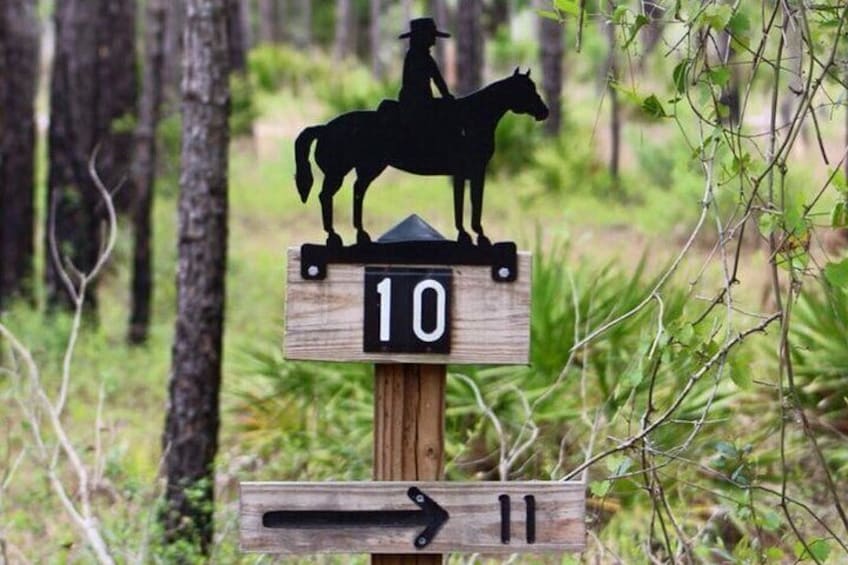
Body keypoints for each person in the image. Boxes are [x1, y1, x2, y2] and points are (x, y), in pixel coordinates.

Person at [398, 18, 453, 114]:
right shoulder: (417, 57)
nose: (434, 38)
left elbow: (437, 79)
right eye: (431, 35)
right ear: (422, 37)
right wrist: (446, 96)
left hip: (421, 101)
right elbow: (434, 80)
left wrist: (446, 95)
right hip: (415, 105)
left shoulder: (423, 56)